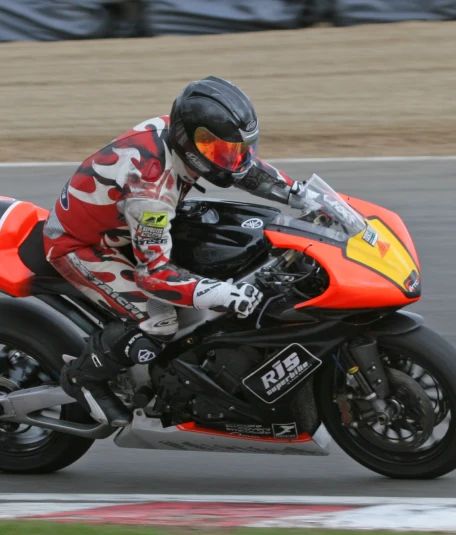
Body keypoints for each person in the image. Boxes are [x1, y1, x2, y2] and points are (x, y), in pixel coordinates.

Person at [43, 76, 308, 427]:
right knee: (162, 320)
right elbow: (153, 275)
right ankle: (84, 377)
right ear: (189, 142)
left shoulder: (180, 135)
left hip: (124, 225)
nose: (232, 159)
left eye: (238, 149)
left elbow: (243, 171)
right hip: (85, 246)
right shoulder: (151, 192)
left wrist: (302, 196)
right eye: (221, 152)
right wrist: (226, 294)